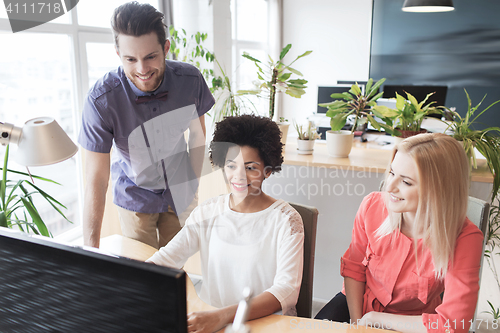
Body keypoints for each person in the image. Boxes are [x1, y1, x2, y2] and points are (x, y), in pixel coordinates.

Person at [147, 115, 304, 333]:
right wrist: (130, 280)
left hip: (265, 325)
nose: (239, 176)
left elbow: (286, 291)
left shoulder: (287, 220)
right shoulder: (207, 212)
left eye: (250, 168)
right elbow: (166, 259)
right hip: (210, 323)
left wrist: (221, 316)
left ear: (268, 170)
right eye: (231, 166)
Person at [315, 133, 484, 333]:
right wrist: (358, 323)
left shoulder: (466, 239)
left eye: (406, 182)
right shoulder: (372, 205)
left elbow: (453, 324)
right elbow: (354, 269)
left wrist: (376, 319)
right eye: (392, 173)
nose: (390, 187)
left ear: (438, 191)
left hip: (414, 323)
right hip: (358, 306)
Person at [78, 1, 214, 249]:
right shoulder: (101, 100)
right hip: (135, 195)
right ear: (118, 54)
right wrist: (90, 251)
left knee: (175, 269)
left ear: (166, 48)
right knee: (143, 272)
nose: (142, 69)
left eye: (151, 57)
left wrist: (191, 184)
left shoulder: (191, 80)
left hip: (179, 188)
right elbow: (96, 177)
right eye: (131, 59)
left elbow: (197, 135)